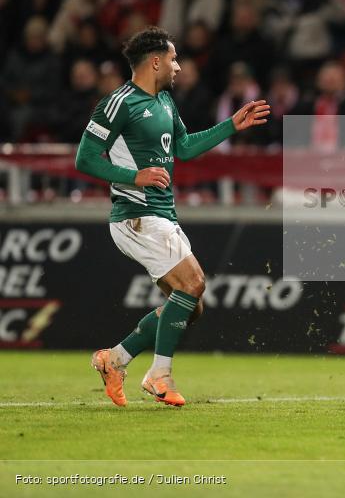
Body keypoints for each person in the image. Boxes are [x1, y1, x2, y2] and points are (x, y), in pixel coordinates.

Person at [75, 27, 269, 407]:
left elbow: (183, 147)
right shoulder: (118, 103)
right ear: (156, 61)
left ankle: (115, 359)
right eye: (174, 59)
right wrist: (134, 176)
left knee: (191, 306)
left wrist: (231, 125)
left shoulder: (164, 100)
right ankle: (159, 375)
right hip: (135, 215)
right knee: (194, 282)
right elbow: (84, 158)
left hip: (163, 214)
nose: (179, 67)